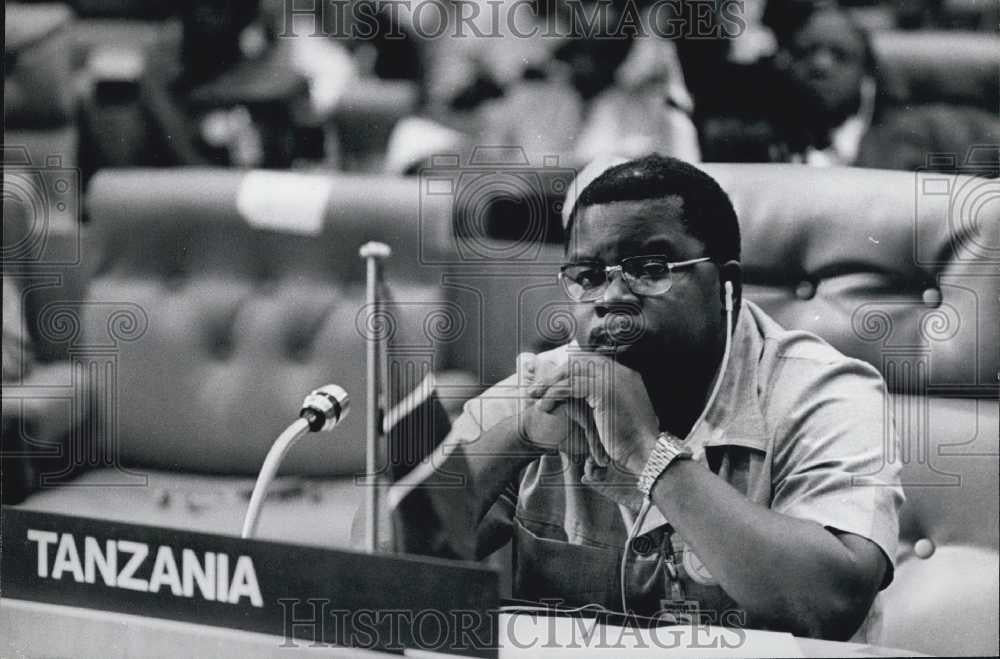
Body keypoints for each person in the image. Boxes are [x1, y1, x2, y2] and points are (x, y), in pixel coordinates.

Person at [394, 154, 903, 642]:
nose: (611, 297)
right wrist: (519, 436)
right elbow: (382, 560)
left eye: (651, 268)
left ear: (728, 286)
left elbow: (831, 605)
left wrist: (648, 454)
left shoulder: (822, 392)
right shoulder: (547, 386)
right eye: (589, 277)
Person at [699, 3, 999, 175]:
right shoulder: (743, 141)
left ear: (867, 73)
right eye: (805, 53)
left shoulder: (936, 133)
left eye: (840, 55)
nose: (821, 66)